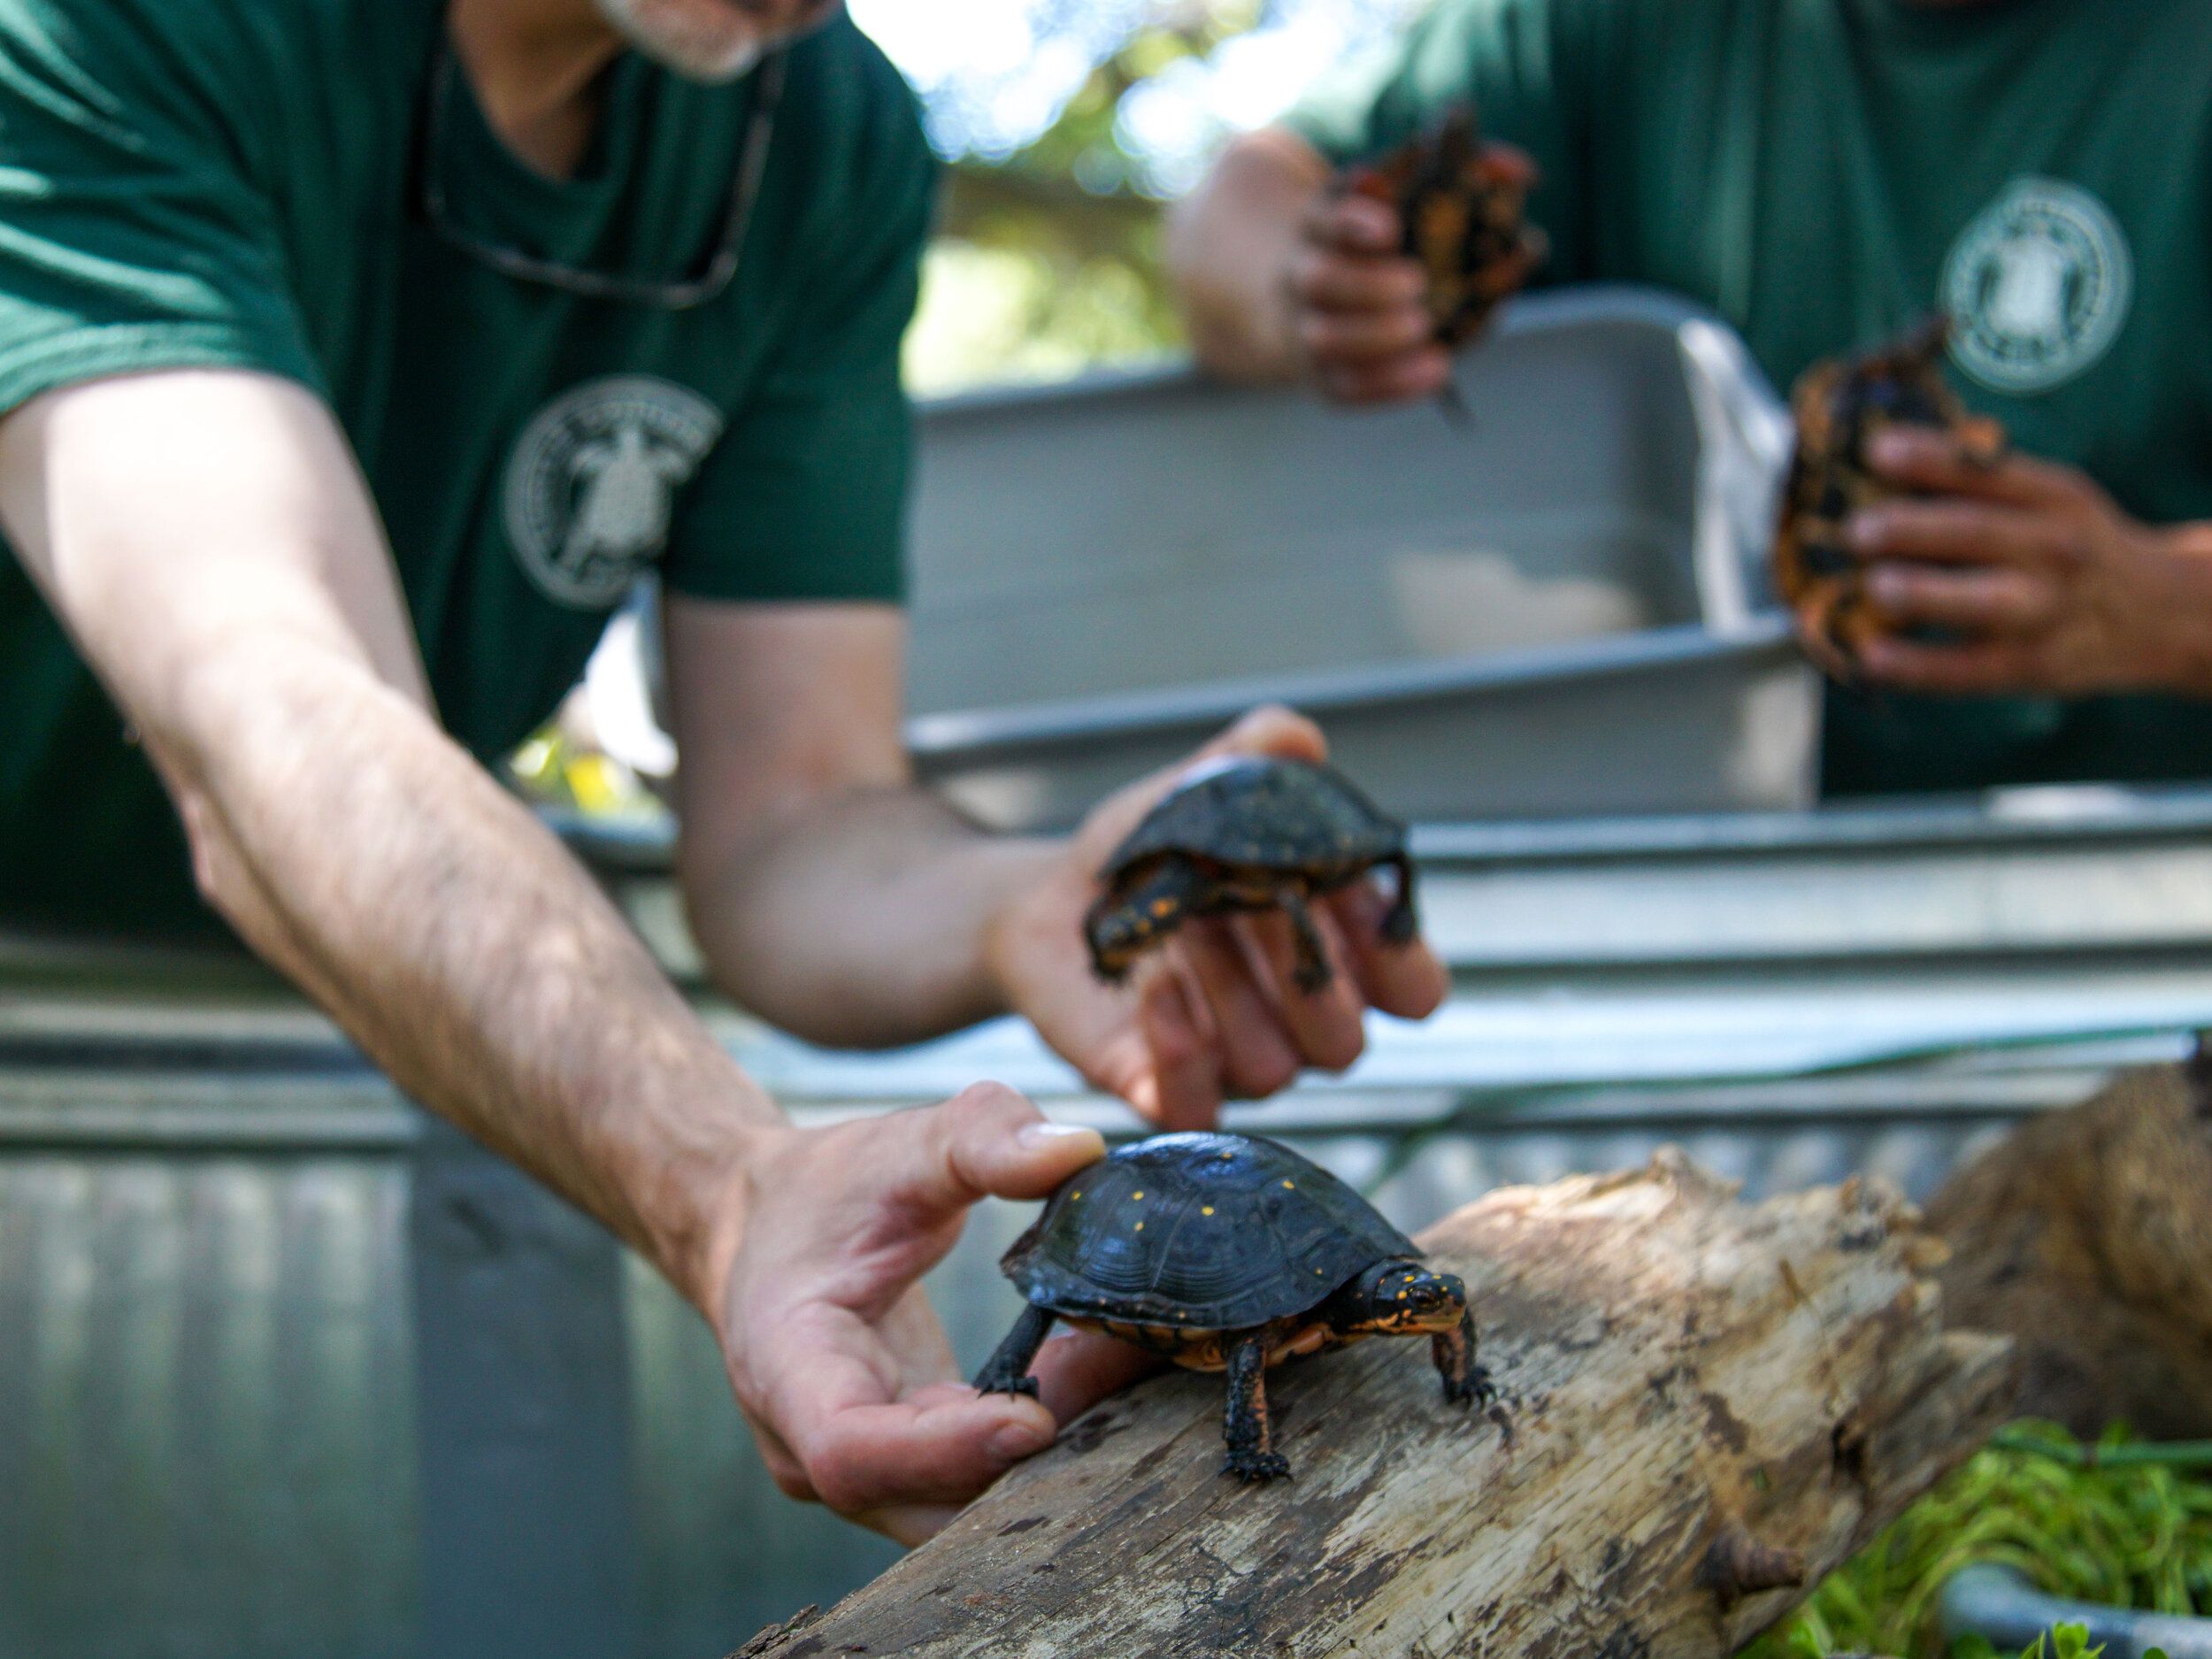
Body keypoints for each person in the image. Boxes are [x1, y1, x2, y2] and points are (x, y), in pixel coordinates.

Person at [0, 0, 1449, 1543]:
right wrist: (724, 1181)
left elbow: (799, 821)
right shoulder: (104, 28)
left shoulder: (821, 139)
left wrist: (1017, 900)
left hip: (325, 1028)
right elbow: (266, 704)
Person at [1168, 0, 2212, 801]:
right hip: (1714, 870)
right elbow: (1236, 208)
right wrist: (1306, 286)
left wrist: (2165, 603)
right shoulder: (1619, 26)